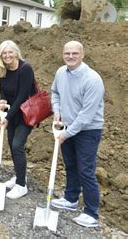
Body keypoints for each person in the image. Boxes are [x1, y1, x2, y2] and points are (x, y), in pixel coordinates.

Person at [50, 41, 104, 228]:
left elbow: (86, 117)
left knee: (86, 171)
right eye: (67, 53)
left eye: (74, 53)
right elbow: (55, 93)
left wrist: (66, 134)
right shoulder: (60, 72)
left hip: (88, 131)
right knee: (71, 165)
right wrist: (57, 111)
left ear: (82, 54)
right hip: (67, 127)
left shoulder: (93, 80)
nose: (70, 56)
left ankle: (91, 213)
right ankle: (71, 198)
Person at [0, 40, 36, 199]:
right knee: (12, 144)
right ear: (1, 56)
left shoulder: (25, 69)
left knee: (17, 145)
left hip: (26, 114)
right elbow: (3, 91)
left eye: (10, 52)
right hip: (12, 113)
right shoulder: (3, 70)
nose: (7, 55)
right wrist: (2, 102)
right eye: (4, 53)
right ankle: (19, 176)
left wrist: (7, 117)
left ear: (16, 52)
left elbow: (22, 96)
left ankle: (21, 186)